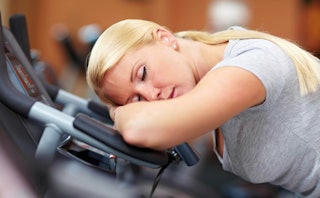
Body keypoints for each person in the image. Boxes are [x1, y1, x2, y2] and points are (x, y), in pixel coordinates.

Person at [86, 19, 320, 197]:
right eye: (137, 100)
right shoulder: (210, 76)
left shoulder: (249, 63)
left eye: (143, 73)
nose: (151, 96)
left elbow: (140, 128)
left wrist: (117, 111)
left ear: (165, 38)